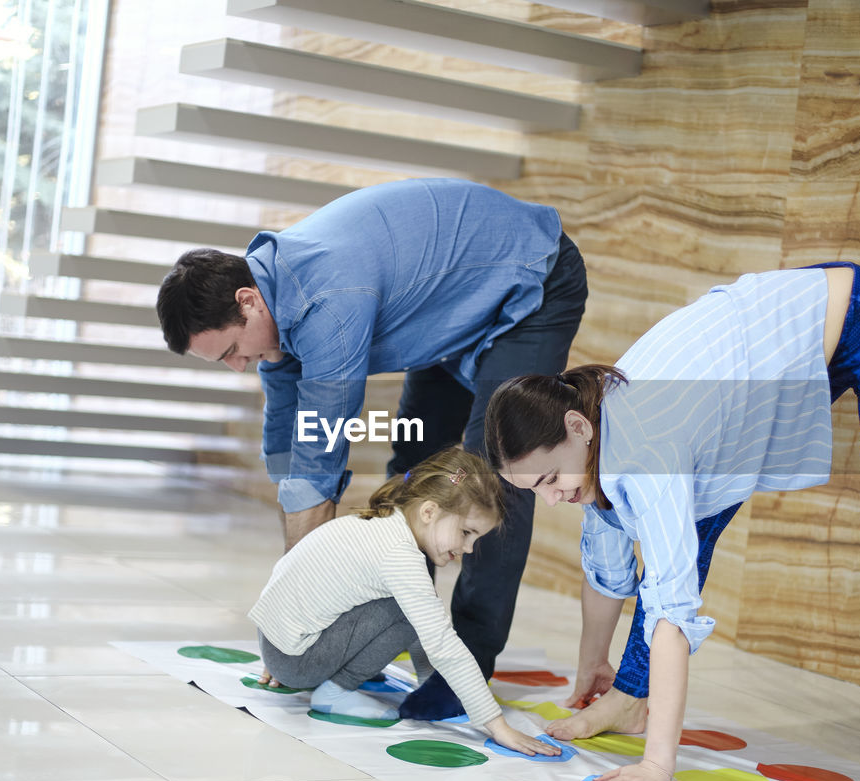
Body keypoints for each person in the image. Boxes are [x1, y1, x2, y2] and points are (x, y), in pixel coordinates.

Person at [484, 263, 860, 781]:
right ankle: (630, 695)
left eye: (549, 481)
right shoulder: (591, 429)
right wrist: (593, 668)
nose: (553, 499)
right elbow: (607, 566)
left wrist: (658, 763)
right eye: (536, 490)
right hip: (775, 343)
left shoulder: (646, 451)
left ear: (577, 428)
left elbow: (671, 611)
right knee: (683, 529)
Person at [157, 178, 587, 719]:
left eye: (231, 352)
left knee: (493, 474)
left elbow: (321, 458)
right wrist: (294, 617)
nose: (238, 366)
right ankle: (404, 630)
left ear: (248, 301)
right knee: (414, 472)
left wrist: (304, 628)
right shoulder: (276, 312)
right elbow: (289, 459)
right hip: (454, 309)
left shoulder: (326, 301)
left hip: (532, 280)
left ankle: (467, 665)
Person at [248, 446, 561, 757]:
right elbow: (441, 642)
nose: (468, 548)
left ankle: (347, 674)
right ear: (428, 512)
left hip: (279, 646)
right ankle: (336, 691)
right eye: (466, 532)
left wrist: (428, 681)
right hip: (295, 660)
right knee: (412, 610)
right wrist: (498, 726)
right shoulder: (399, 555)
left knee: (414, 606)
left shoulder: (384, 524)